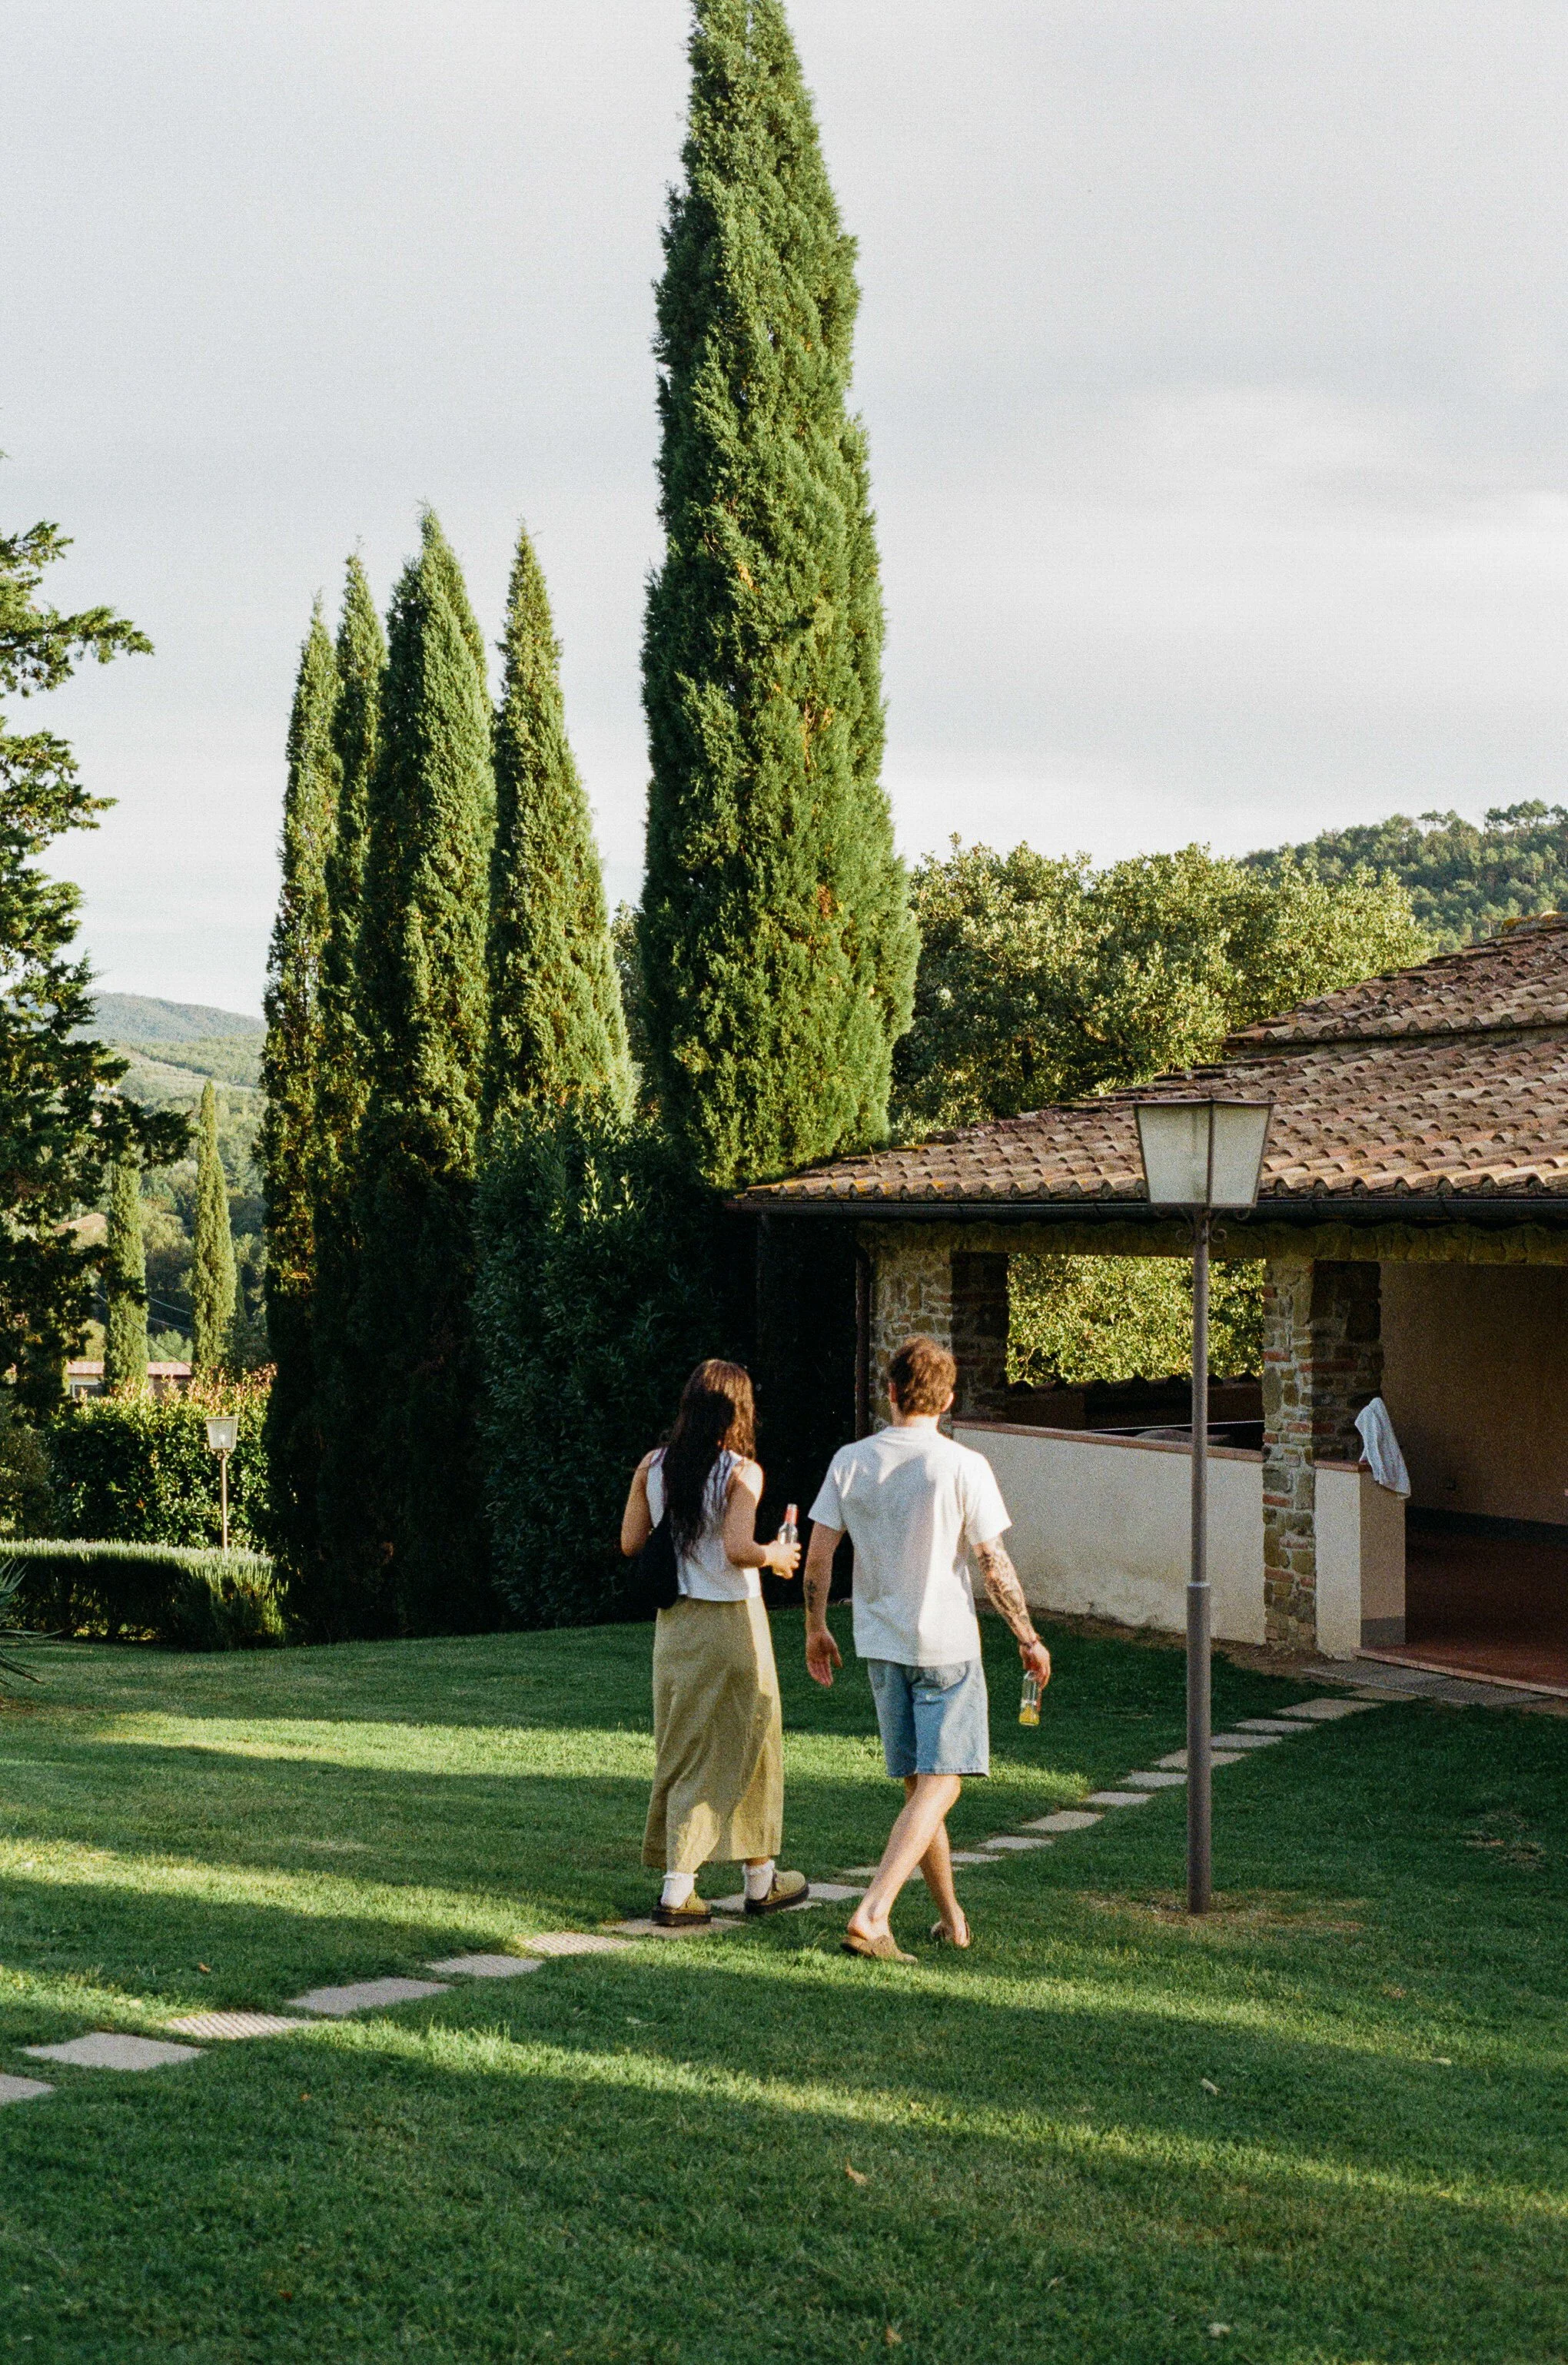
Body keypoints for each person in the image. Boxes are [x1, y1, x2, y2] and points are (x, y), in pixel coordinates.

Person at [802, 1334, 1052, 1962]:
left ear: (890, 1391)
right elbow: (992, 1562)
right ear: (948, 1399)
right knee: (945, 1785)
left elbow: (819, 1557)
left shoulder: (850, 1460)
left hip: (882, 1646)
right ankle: (872, 1912)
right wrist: (1028, 1635)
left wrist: (815, 1626)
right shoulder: (963, 1465)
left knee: (922, 1789)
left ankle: (951, 1918)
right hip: (946, 1645)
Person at [620, 1358, 807, 1926]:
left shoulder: (652, 1466)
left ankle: (716, 1879)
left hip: (675, 1625)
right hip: (733, 1621)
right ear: (738, 1412)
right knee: (753, 1740)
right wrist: (775, 1554)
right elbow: (736, 1547)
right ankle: (717, 1885)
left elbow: (630, 1541)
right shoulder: (741, 1472)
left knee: (686, 1745)